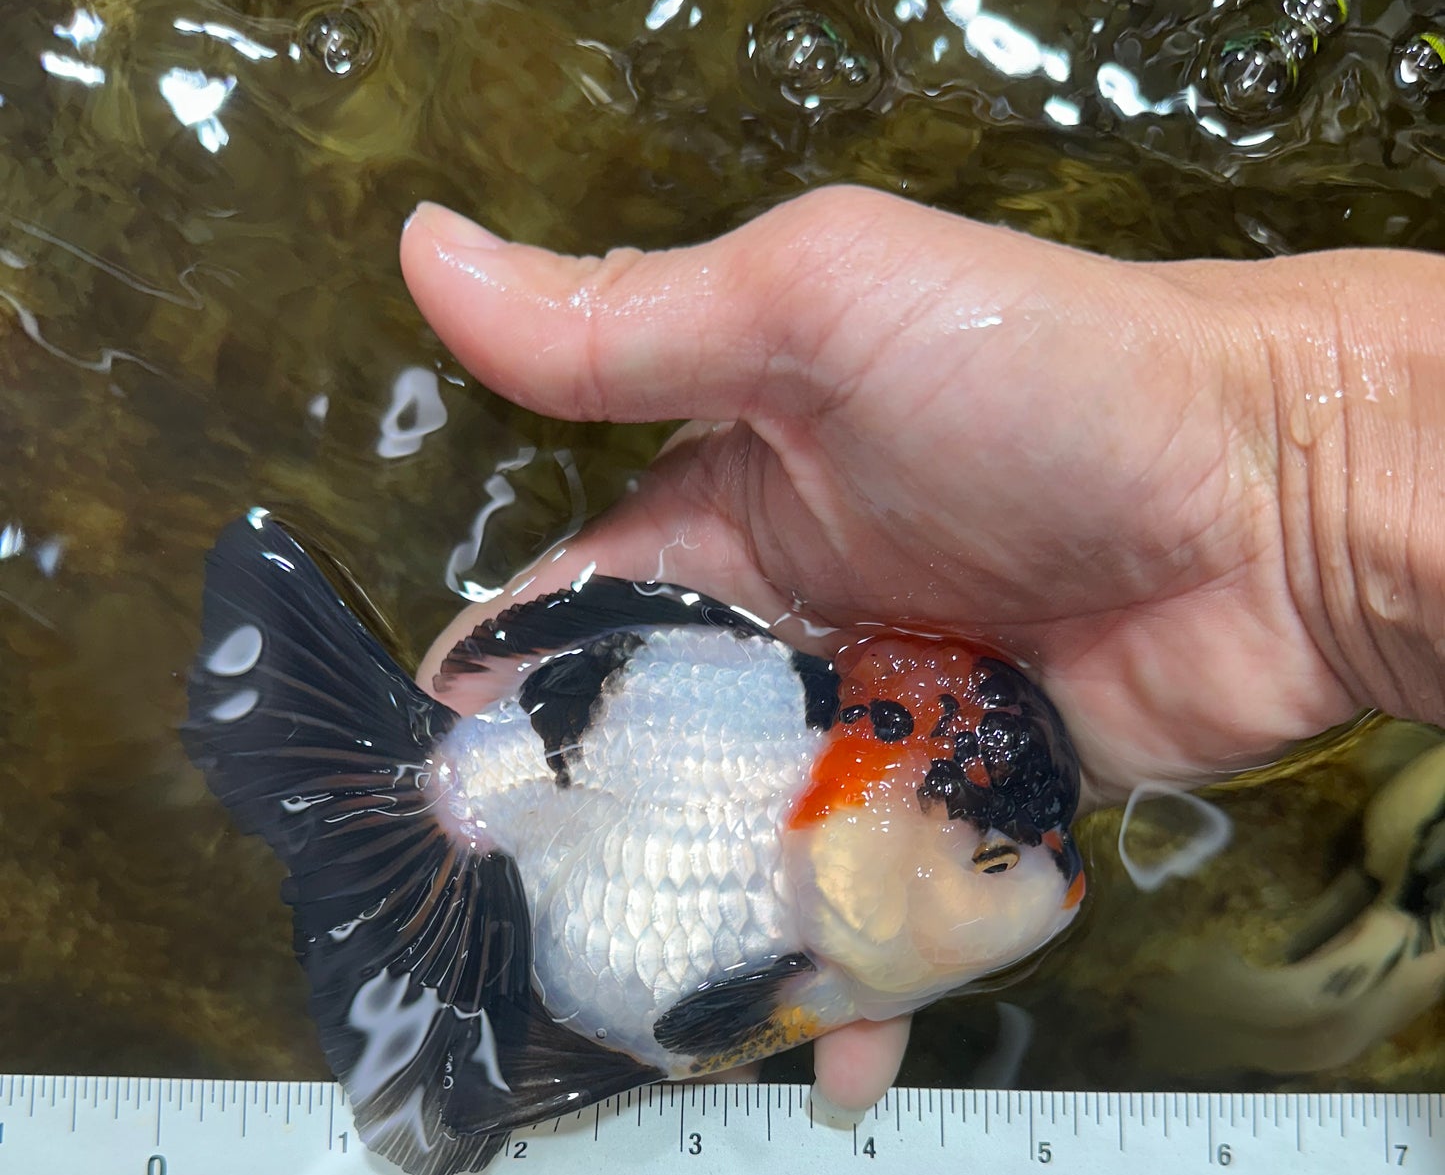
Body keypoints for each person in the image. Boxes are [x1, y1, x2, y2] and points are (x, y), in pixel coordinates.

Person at [398, 184, 1444, 1109]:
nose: (1044, 885)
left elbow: (696, 1021)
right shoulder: (817, 858)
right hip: (555, 780)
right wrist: (1306, 505)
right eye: (990, 858)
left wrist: (1299, 495)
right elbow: (700, 1023)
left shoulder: (840, 857)